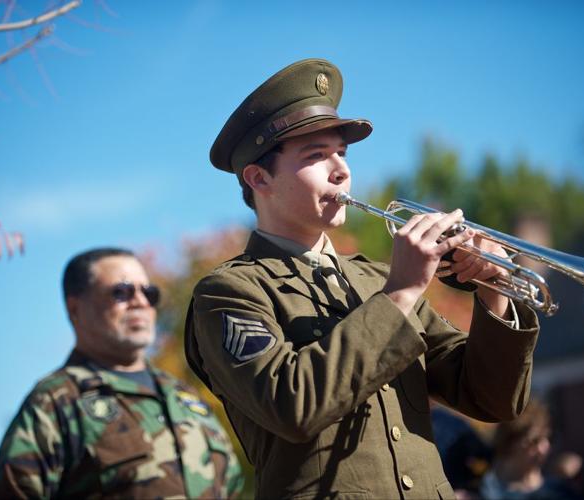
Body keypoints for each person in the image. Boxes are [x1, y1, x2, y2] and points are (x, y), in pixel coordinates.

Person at [184, 58, 541, 499]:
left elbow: (491, 400)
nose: (341, 170)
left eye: (342, 153)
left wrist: (493, 295)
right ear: (259, 178)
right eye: (316, 156)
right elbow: (293, 405)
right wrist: (402, 292)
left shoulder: (376, 278)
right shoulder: (230, 292)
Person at [0, 248, 244, 499]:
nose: (141, 302)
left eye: (149, 293)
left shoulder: (185, 398)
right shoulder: (54, 402)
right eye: (121, 292)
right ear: (75, 309)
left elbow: (232, 487)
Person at [480, 399, 582, 499]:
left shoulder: (561, 492)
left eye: (548, 438)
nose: (544, 448)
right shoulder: (482, 489)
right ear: (510, 444)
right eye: (534, 441)